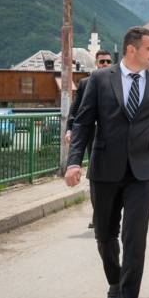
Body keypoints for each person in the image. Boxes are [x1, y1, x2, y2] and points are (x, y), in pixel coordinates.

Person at [64, 27, 149, 298]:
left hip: (143, 173)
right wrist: (73, 162)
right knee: (105, 235)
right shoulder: (100, 80)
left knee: (134, 240)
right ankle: (114, 281)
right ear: (131, 49)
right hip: (105, 169)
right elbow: (83, 123)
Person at [65, 49, 113, 229]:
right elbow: (75, 110)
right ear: (96, 63)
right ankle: (98, 215)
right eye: (102, 62)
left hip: (114, 138)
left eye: (108, 61)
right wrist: (70, 129)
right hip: (93, 137)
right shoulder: (86, 83)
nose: (105, 64)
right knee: (95, 176)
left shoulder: (118, 82)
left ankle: (112, 213)